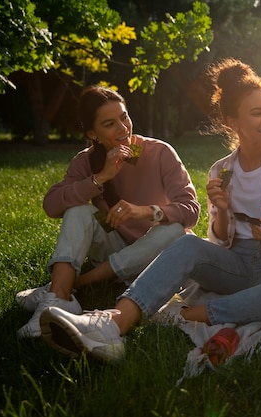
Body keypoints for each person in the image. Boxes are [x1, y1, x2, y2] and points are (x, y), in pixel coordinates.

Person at [38, 58, 261, 361]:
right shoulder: (221, 171)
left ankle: (188, 315)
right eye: (257, 113)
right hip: (234, 264)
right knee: (187, 243)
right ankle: (112, 324)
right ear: (232, 122)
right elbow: (219, 241)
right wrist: (223, 211)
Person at [15, 86, 200, 338]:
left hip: (157, 256)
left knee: (177, 231)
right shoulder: (85, 160)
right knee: (79, 210)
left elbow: (190, 209)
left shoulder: (160, 152)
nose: (123, 128)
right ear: (93, 133)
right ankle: (57, 299)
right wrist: (101, 177)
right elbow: (51, 205)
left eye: (124, 117)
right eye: (109, 124)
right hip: (113, 246)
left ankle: (71, 284)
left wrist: (145, 211)